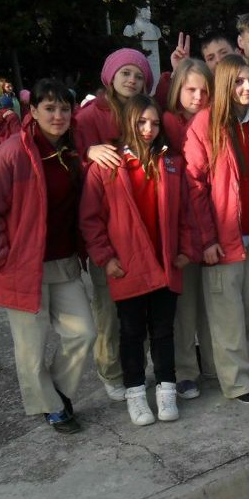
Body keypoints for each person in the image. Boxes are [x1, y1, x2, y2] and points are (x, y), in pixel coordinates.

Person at [0, 78, 94, 434]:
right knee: (32, 347)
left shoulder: (73, 152)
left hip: (64, 261)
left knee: (83, 333)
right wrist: (0, 258)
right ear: (33, 111)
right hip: (22, 266)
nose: (58, 116)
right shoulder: (12, 153)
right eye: (49, 108)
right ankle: (51, 407)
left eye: (64, 109)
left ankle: (58, 392)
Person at [79, 94, 201, 425]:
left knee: (163, 330)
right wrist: (105, 258)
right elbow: (91, 220)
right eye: (141, 122)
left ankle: (166, 389)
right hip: (128, 264)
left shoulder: (171, 163)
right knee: (131, 332)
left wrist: (185, 250)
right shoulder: (107, 165)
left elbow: (186, 212)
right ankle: (135, 393)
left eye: (155, 123)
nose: (148, 129)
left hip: (165, 261)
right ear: (128, 123)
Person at [184, 54, 249, 406]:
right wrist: (207, 239)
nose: (247, 87)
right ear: (225, 84)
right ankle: (235, 380)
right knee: (227, 313)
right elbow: (195, 186)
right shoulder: (205, 123)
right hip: (223, 238)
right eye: (239, 81)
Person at [75, 47, 154, 401]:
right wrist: (87, 152)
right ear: (110, 76)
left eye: (138, 75)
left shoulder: (145, 113)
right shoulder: (89, 116)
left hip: (143, 227)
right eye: (125, 73)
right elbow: (66, 154)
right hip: (107, 229)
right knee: (108, 309)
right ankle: (111, 371)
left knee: (140, 308)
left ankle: (138, 366)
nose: (132, 80)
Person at [163, 57, 216, 399]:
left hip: (212, 221)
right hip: (179, 225)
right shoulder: (166, 123)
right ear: (177, 89)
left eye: (204, 90)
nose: (197, 96)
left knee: (211, 305)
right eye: (190, 89)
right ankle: (185, 370)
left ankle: (213, 364)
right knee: (184, 308)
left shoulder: (215, 120)